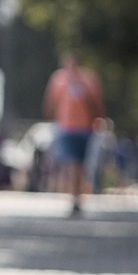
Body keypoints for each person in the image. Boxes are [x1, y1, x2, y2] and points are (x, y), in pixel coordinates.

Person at [44, 51, 104, 217]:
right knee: (71, 164)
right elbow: (50, 103)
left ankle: (78, 197)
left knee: (81, 165)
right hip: (66, 128)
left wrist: (99, 121)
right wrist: (52, 120)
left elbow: (97, 104)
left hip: (86, 128)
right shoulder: (58, 79)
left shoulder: (89, 79)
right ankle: (73, 198)